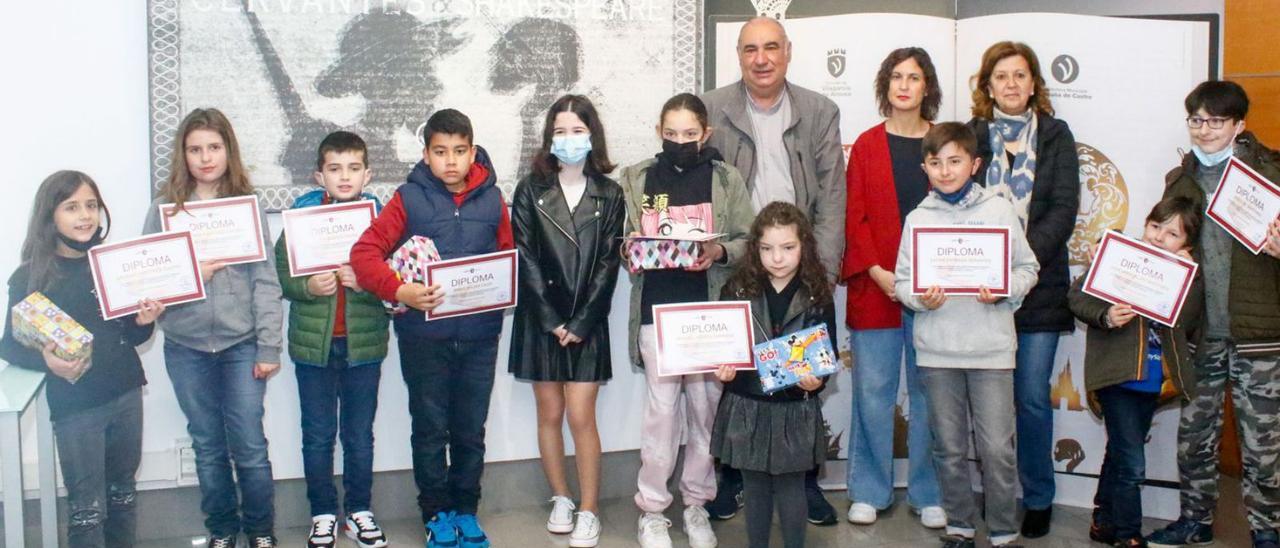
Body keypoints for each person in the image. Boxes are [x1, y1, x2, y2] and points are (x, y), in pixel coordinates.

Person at [701, 15, 847, 525]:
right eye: (749, 50)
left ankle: (803, 481)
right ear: (738, 56)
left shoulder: (819, 110)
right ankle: (734, 478)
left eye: (770, 48)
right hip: (741, 259)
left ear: (787, 51)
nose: (760, 59)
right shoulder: (713, 108)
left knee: (801, 377)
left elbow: (831, 198)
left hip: (797, 258)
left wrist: (819, 274)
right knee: (741, 379)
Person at [349, 108, 512, 548]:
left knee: (469, 430)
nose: (451, 161)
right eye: (440, 152)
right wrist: (400, 290)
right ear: (426, 154)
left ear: (473, 152)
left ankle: (466, 511)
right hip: (423, 339)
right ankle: (436, 514)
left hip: (480, 338)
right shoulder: (409, 198)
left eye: (459, 151)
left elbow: (506, 262)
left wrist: (502, 292)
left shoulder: (494, 201)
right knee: (429, 428)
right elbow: (364, 255)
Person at [1146, 80, 1280, 548]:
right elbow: (1165, 240)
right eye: (1196, 120)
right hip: (1202, 334)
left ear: (1239, 124)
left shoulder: (1272, 175)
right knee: (1194, 438)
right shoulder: (1178, 180)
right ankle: (1195, 521)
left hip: (1259, 333)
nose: (1204, 130)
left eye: (1215, 121)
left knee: (1264, 446)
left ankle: (1268, 530)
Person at [143, 108, 284, 548]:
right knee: (206, 445)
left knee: (250, 445)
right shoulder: (164, 209)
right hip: (185, 346)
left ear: (229, 151)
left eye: (214, 147)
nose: (205, 157)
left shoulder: (248, 206)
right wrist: (191, 275)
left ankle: (261, 531)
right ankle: (222, 530)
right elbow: (148, 279)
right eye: (195, 149)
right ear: (182, 154)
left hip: (242, 345)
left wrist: (269, 348)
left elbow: (265, 279)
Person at [893, 122, 1040, 548]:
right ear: (925, 168)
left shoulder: (998, 211)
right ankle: (959, 525)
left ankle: (1002, 528)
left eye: (954, 161)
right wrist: (922, 299)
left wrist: (1003, 289)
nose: (945, 171)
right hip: (938, 350)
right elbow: (903, 283)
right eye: (935, 163)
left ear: (974, 164)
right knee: (949, 448)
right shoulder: (918, 218)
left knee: (997, 449)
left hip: (991, 350)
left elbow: (1027, 269)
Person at [0, 172, 164, 548]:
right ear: (49, 216)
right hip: (76, 408)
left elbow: (132, 335)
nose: (85, 215)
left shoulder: (111, 265)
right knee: (87, 511)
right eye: (71, 206)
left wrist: (145, 322)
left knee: (123, 494)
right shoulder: (29, 277)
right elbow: (9, 346)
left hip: (125, 393)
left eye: (91, 205)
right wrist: (47, 361)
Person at [620, 93, 754, 548]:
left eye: (690, 134)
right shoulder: (637, 177)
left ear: (706, 133)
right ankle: (653, 509)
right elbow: (623, 240)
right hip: (657, 312)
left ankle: (696, 504)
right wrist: (633, 250)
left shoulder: (725, 178)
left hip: (709, 313)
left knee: (705, 413)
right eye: (672, 133)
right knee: (660, 415)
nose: (680, 141)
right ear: (659, 130)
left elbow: (745, 240)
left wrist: (717, 252)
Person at [965, 41, 1081, 538]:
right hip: (980, 295)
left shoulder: (1056, 135)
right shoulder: (970, 136)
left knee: (1031, 399)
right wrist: (989, 268)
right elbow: (957, 201)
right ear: (987, 86)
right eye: (1001, 76)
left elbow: (1062, 209)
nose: (1011, 85)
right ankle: (996, 494)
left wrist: (1018, 263)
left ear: (1034, 83)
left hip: (1039, 289)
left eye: (1020, 75)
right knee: (987, 402)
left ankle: (1037, 496)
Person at [508, 94, 626, 548]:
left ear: (592, 135)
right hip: (541, 320)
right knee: (550, 413)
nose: (569, 139)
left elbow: (607, 266)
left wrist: (579, 322)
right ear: (548, 138)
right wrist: (553, 319)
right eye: (560, 131)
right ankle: (561, 497)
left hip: (587, 322)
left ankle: (591, 508)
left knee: (581, 416)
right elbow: (526, 256)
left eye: (578, 130)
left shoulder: (610, 194)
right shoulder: (530, 190)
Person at [841, 46, 945, 529]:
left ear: (928, 87)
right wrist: (879, 273)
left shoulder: (944, 144)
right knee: (872, 392)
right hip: (876, 288)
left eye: (914, 77)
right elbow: (853, 216)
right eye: (896, 77)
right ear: (885, 86)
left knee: (929, 396)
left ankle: (929, 492)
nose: (905, 85)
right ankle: (868, 489)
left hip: (935, 298)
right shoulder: (865, 145)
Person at [273, 131, 390, 548]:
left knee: (359, 435)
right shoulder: (299, 218)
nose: (345, 177)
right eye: (335, 169)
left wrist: (367, 280)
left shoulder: (382, 220)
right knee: (318, 434)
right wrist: (308, 287)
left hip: (364, 344)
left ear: (367, 174)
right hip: (314, 347)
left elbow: (396, 279)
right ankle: (322, 512)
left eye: (354, 168)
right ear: (318, 175)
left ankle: (359, 511)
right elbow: (282, 275)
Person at [1068, 197, 1204, 548]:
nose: (1159, 237)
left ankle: (1104, 518)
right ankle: (1129, 535)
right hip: (1116, 376)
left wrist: (1188, 280)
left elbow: (1190, 323)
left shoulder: (1187, 275)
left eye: (1172, 234)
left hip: (1153, 380)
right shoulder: (1118, 257)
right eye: (1155, 226)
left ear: (1185, 244)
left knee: (1120, 451)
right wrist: (1106, 316)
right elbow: (1077, 297)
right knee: (1132, 465)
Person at [712, 201, 837, 548]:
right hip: (747, 403)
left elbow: (828, 354)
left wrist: (818, 380)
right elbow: (724, 349)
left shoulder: (817, 294)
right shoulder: (736, 289)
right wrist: (723, 371)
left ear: (804, 247)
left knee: (791, 486)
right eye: (767, 248)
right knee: (753, 487)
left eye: (787, 248)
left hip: (794, 407)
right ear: (755, 249)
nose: (776, 258)